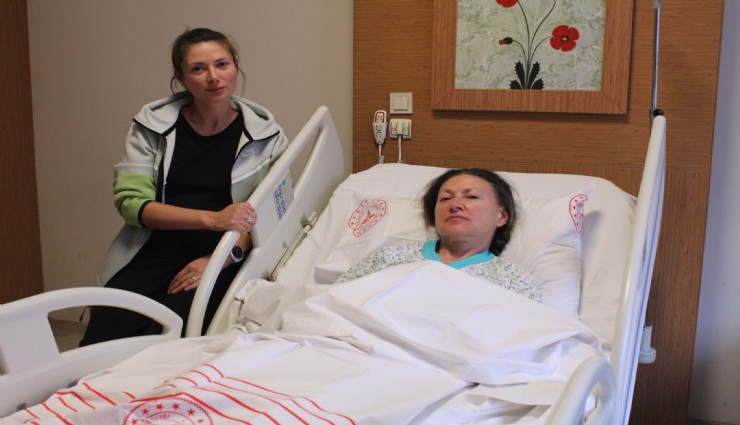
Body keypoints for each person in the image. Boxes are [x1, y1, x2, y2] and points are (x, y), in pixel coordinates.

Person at [80, 28, 289, 346]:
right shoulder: (152, 127)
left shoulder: (266, 137)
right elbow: (132, 205)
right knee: (103, 339)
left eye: (222, 64)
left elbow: (273, 215)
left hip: (221, 256)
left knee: (165, 340)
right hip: (153, 249)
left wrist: (220, 258)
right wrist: (212, 219)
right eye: (198, 68)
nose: (213, 77)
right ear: (180, 78)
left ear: (236, 65)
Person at [338, 168, 542, 303]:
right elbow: (335, 301)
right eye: (445, 198)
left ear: (501, 216)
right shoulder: (387, 258)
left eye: (471, 196)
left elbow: (526, 337)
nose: (455, 205)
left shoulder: (514, 281)